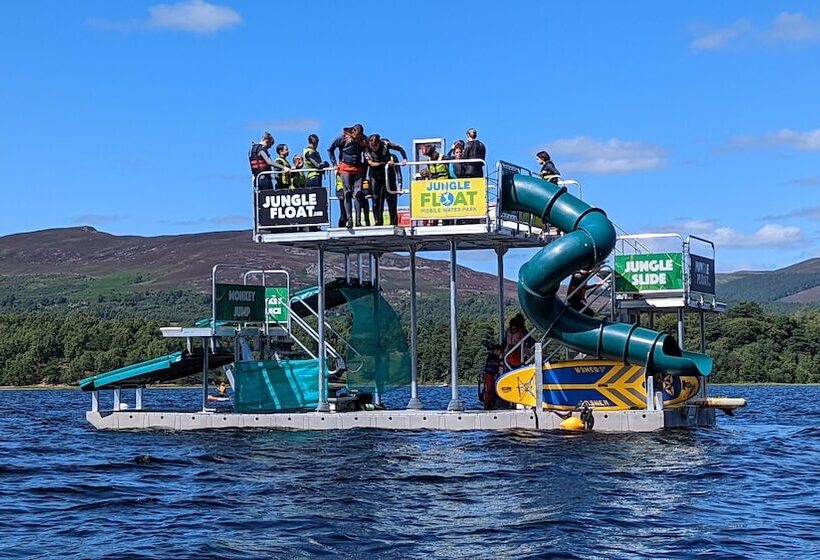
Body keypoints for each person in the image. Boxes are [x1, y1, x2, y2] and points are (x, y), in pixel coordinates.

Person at [328, 124, 367, 228]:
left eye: (360, 135)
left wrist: (366, 157)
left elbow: (368, 149)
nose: (358, 137)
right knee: (347, 193)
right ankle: (349, 219)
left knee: (358, 193)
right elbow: (330, 149)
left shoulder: (363, 139)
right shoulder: (342, 139)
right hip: (345, 168)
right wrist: (334, 164)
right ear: (353, 132)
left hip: (358, 169)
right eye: (357, 135)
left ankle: (358, 220)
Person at [365, 134, 408, 226]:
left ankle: (393, 222)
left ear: (379, 143)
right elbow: (370, 163)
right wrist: (384, 163)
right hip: (375, 177)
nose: (374, 147)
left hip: (388, 176)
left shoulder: (385, 144)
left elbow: (400, 148)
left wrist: (404, 158)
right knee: (376, 200)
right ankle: (378, 221)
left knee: (391, 200)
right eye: (372, 145)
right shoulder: (367, 148)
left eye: (375, 145)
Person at [479, 344, 503, 410]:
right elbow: (496, 362)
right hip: (489, 375)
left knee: (492, 389)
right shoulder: (492, 357)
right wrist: (500, 365)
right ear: (496, 351)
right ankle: (487, 403)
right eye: (499, 351)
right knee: (489, 389)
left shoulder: (495, 357)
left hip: (492, 375)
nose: (500, 353)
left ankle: (490, 403)